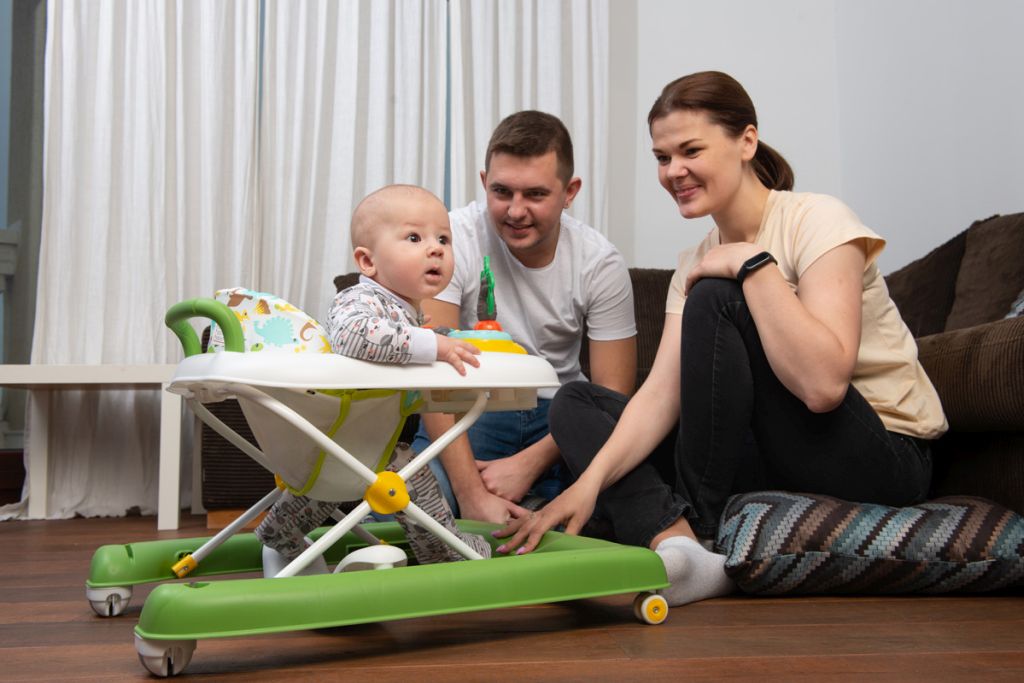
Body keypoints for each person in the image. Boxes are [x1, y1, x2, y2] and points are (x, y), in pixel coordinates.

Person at [493, 71, 947, 606]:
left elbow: (824, 387)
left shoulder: (818, 220)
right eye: (662, 157)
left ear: (746, 141)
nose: (673, 171)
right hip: (771, 451)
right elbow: (660, 397)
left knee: (717, 294)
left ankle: (702, 530)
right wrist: (586, 485)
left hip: (882, 452)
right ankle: (678, 543)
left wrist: (751, 264)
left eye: (691, 151)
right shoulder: (697, 259)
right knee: (578, 402)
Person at [256, 184, 492, 576]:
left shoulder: (403, 310)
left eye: (443, 239)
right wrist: (431, 345)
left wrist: (444, 341)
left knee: (346, 485)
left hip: (364, 439)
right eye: (414, 238)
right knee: (399, 488)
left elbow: (406, 341)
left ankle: (281, 537)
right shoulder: (359, 300)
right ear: (367, 261)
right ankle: (450, 555)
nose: (435, 249)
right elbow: (353, 335)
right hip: (340, 433)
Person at [415, 110, 638, 524]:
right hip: (469, 410)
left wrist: (530, 463)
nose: (515, 211)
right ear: (484, 182)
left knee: (620, 507)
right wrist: (470, 494)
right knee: (408, 514)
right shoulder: (449, 239)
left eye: (535, 194)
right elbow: (434, 372)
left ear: (570, 192)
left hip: (560, 422)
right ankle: (523, 509)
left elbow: (613, 394)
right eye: (502, 192)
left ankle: (535, 503)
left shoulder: (600, 262)